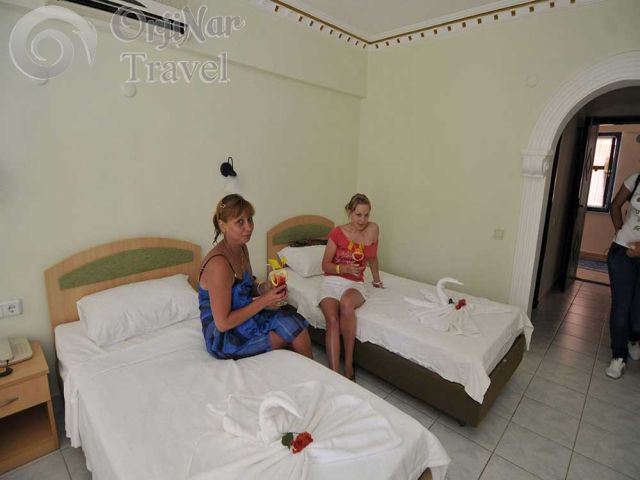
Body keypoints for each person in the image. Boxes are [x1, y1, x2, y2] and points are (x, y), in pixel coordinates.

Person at [199, 194, 312, 360]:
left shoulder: (241, 248)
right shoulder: (218, 265)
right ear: (222, 225)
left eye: (250, 219)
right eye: (240, 222)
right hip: (224, 335)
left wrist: (264, 288)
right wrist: (264, 301)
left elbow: (248, 285)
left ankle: (314, 375)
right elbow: (222, 324)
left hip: (243, 317)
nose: (249, 227)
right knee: (286, 337)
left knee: (297, 325)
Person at [318, 193, 383, 379]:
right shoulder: (337, 233)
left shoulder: (372, 231)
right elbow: (325, 265)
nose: (362, 220)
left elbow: (372, 258)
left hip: (355, 283)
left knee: (346, 304)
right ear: (349, 212)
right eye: (358, 215)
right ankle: (334, 374)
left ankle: (348, 365)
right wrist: (344, 268)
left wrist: (377, 280)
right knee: (332, 319)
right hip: (332, 281)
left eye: (366, 215)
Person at [606, 172, 640, 379]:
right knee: (621, 306)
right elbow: (615, 205)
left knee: (637, 311)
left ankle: (633, 339)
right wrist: (620, 233)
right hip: (623, 254)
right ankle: (619, 356)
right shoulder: (636, 179)